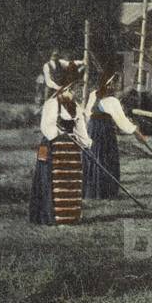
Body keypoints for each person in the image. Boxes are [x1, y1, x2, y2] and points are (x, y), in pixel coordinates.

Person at [30, 72, 92, 225]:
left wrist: (86, 143)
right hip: (51, 147)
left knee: (70, 181)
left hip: (70, 149)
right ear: (64, 89)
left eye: (77, 90)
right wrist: (58, 133)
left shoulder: (76, 107)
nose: (74, 93)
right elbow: (46, 126)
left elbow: (80, 129)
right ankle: (52, 215)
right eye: (72, 90)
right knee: (50, 180)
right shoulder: (51, 104)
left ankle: (70, 216)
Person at [83, 71, 139, 199]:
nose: (111, 86)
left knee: (105, 159)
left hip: (103, 131)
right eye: (109, 83)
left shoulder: (112, 100)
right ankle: (93, 192)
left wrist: (135, 131)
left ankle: (105, 192)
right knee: (95, 158)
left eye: (113, 83)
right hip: (96, 131)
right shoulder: (95, 95)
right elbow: (87, 113)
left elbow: (121, 121)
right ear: (103, 84)